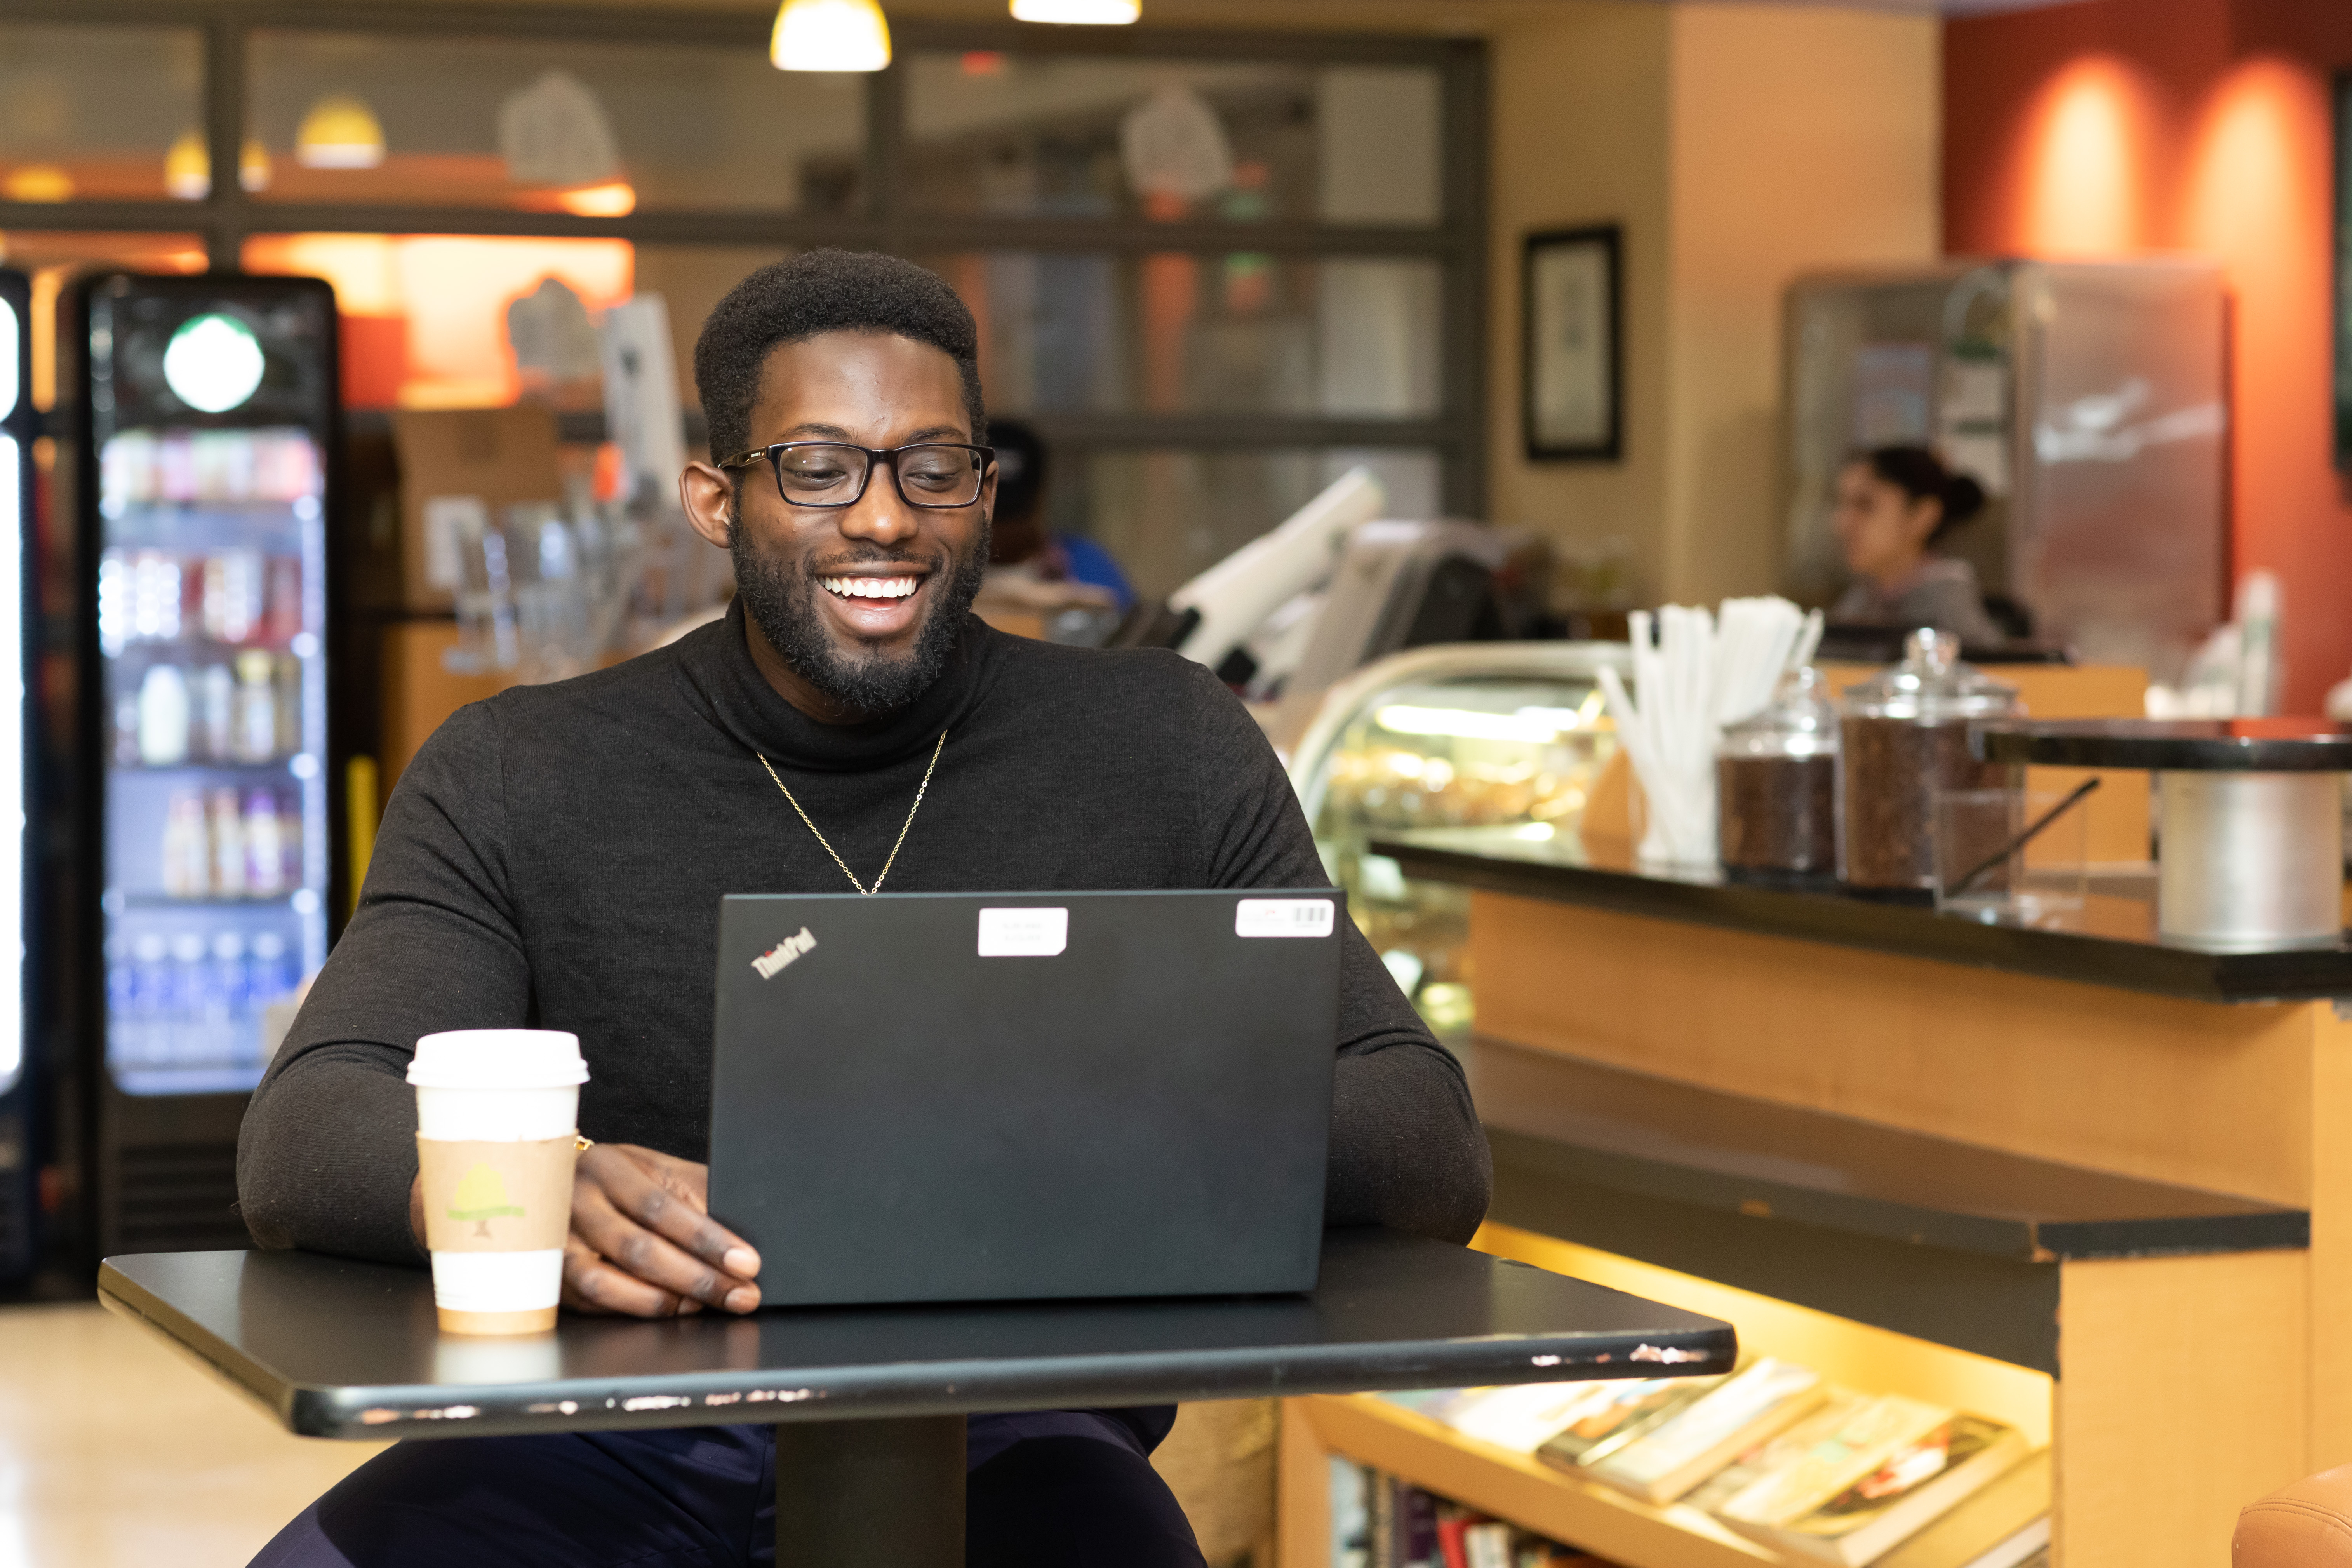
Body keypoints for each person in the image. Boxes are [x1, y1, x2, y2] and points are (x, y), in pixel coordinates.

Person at [236, 249, 1489, 1568]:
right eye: (818, 467)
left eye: (931, 466)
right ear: (716, 501)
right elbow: (309, 1128)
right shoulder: (522, 767)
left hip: (1016, 1423)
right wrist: (538, 1187)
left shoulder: (1163, 744)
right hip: (598, 1421)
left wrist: (1078, 1134)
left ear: (984, 494)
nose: (883, 517)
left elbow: (1421, 1131)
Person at [1828, 446, 2005, 647]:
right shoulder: (1859, 601)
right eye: (1840, 504)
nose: (1842, 522)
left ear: (1923, 516)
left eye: (1865, 505)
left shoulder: (1946, 610)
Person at [983, 416, 1136, 610]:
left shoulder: (1085, 563)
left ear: (1041, 499)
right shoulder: (945, 571)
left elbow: (1126, 624)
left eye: (1014, 516)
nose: (1001, 529)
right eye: (988, 515)